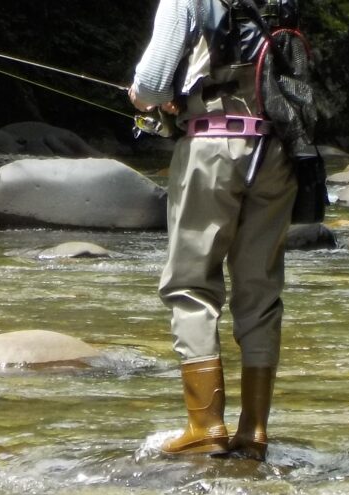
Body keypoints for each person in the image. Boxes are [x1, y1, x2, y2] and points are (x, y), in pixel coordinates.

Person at [129, 0, 298, 461]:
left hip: (210, 145)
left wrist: (143, 98)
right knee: (260, 291)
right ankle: (254, 430)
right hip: (278, 152)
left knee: (191, 285)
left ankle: (205, 426)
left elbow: (151, 83)